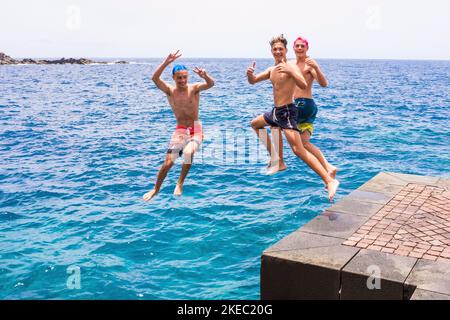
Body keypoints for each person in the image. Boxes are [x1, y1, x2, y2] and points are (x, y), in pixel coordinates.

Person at [247, 35, 339, 202]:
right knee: (255, 124)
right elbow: (253, 82)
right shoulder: (271, 70)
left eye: (280, 49)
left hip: (288, 112)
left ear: (286, 51)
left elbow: (303, 84)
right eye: (275, 49)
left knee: (299, 150)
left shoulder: (291, 66)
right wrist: (250, 74)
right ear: (271, 51)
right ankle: (277, 160)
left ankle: (329, 180)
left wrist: (291, 71)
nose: (277, 51)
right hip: (276, 111)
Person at [143, 50, 214, 201]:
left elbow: (211, 84)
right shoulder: (170, 90)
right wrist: (166, 62)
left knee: (188, 152)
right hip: (180, 130)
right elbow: (154, 78)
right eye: (179, 78)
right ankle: (156, 189)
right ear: (174, 78)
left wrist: (205, 76)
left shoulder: (194, 88)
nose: (182, 80)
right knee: (168, 163)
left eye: (185, 77)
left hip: (196, 128)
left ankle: (180, 183)